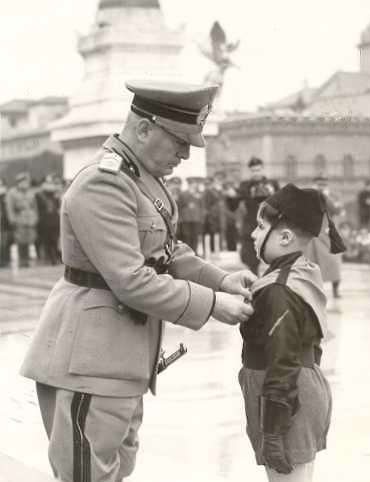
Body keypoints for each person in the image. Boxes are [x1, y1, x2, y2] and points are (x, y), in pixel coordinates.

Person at [20, 80, 255, 482]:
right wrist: (214, 305)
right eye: (180, 140)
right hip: (89, 360)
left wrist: (222, 281)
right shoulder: (104, 181)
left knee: (114, 470)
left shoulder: (142, 179)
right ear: (144, 128)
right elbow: (131, 279)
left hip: (120, 357)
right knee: (88, 475)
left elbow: (167, 251)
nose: (185, 153)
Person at [238, 183, 345, 482]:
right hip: (299, 394)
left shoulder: (278, 290)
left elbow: (282, 360)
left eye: (260, 227)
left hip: (285, 406)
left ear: (285, 237)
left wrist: (273, 429)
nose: (252, 235)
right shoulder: (301, 271)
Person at [237, 157, 279, 275]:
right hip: (252, 225)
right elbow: (234, 203)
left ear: (262, 169)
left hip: (269, 224)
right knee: (250, 258)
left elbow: (281, 201)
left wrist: (272, 193)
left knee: (274, 256)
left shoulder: (272, 184)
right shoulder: (245, 185)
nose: (256, 173)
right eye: (253, 170)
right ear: (250, 171)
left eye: (258, 170)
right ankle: (255, 284)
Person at [305, 176, 344, 298]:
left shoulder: (330, 196)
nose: (321, 187)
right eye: (319, 184)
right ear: (314, 185)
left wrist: (327, 197)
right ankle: (312, 291)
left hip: (328, 233)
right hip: (313, 235)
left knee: (334, 263)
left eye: (323, 184)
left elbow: (336, 210)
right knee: (312, 265)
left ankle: (335, 290)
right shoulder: (309, 197)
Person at [5, 171, 39, 268]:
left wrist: (35, 219)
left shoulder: (31, 193)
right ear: (18, 183)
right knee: (21, 243)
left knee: (29, 242)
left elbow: (35, 208)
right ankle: (22, 264)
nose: (25, 184)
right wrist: (12, 221)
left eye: (26, 182)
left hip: (30, 221)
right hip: (19, 221)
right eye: (23, 182)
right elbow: (10, 209)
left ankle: (27, 263)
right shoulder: (12, 193)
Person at [35, 175, 61, 265]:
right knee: (46, 240)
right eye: (47, 183)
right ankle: (47, 258)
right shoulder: (38, 195)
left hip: (54, 221)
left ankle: (55, 258)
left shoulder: (55, 195)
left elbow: (57, 207)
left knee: (55, 240)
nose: (49, 185)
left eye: (50, 183)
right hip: (44, 222)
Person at [0, 178, 12, 267]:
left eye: (1, 185)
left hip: (5, 224)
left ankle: (5, 261)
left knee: (5, 243)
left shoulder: (6, 197)